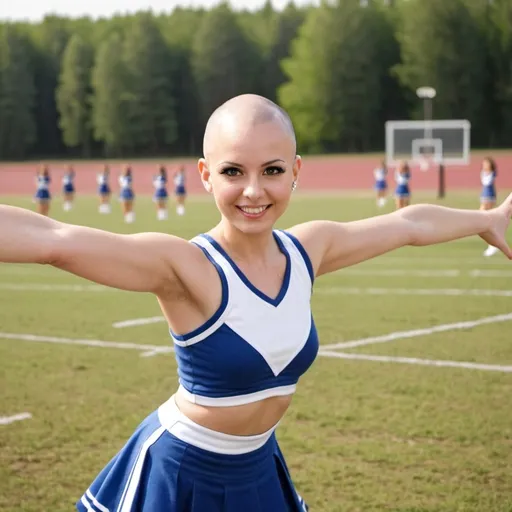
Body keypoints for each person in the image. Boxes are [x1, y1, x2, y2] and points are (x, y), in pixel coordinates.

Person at [1, 94, 511, 512]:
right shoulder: (184, 266)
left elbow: (407, 225)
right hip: (182, 473)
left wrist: (487, 221)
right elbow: (55, 239)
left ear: (295, 171)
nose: (252, 191)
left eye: (271, 170)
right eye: (232, 172)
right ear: (205, 174)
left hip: (259, 468)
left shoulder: (309, 249)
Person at [479, 157, 499, 257]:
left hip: (489, 197)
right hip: (484, 196)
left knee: (483, 219)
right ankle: (492, 243)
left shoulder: (492, 173)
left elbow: (487, 182)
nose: (484, 165)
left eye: (486, 163)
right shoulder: (484, 172)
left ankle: (493, 244)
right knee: (484, 220)